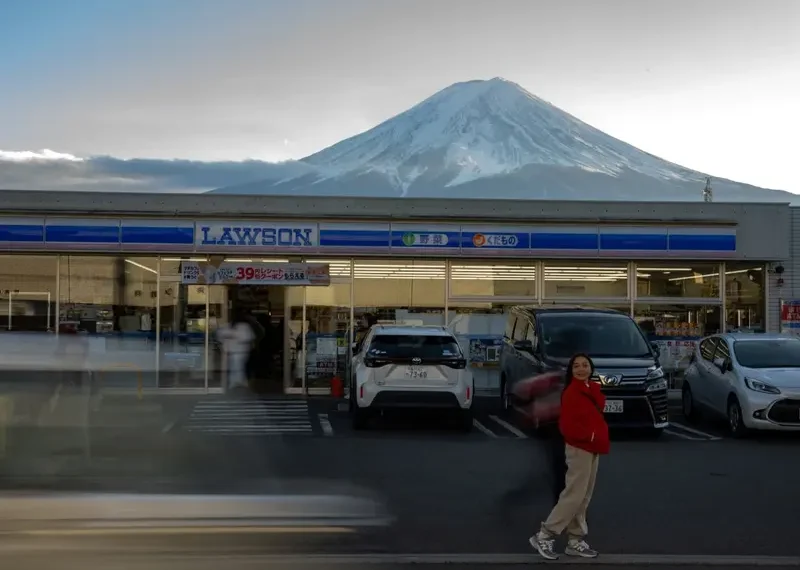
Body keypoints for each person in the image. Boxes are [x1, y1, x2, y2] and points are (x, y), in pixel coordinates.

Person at [529, 353, 609, 560]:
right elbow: (567, 425)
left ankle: (575, 540)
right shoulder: (572, 393)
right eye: (576, 367)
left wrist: (594, 438)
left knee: (584, 496)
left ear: (591, 368)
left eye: (585, 365)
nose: (582, 369)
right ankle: (545, 535)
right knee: (573, 495)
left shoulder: (591, 389)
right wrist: (588, 436)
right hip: (579, 448)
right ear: (571, 371)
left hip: (593, 447)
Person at [217, 310, 256, 391]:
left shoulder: (243, 326)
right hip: (236, 350)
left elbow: (246, 337)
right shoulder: (230, 325)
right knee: (236, 367)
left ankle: (237, 382)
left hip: (239, 351)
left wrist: (231, 334)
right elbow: (220, 335)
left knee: (236, 367)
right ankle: (238, 382)